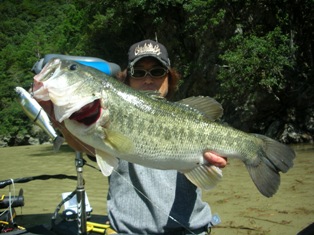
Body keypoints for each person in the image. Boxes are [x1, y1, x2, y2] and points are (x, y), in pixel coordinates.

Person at [107, 39, 227, 235]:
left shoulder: (191, 118)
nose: (148, 80)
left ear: (169, 78)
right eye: (138, 73)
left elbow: (207, 176)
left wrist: (211, 166)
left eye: (156, 72)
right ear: (127, 79)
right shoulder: (109, 117)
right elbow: (82, 143)